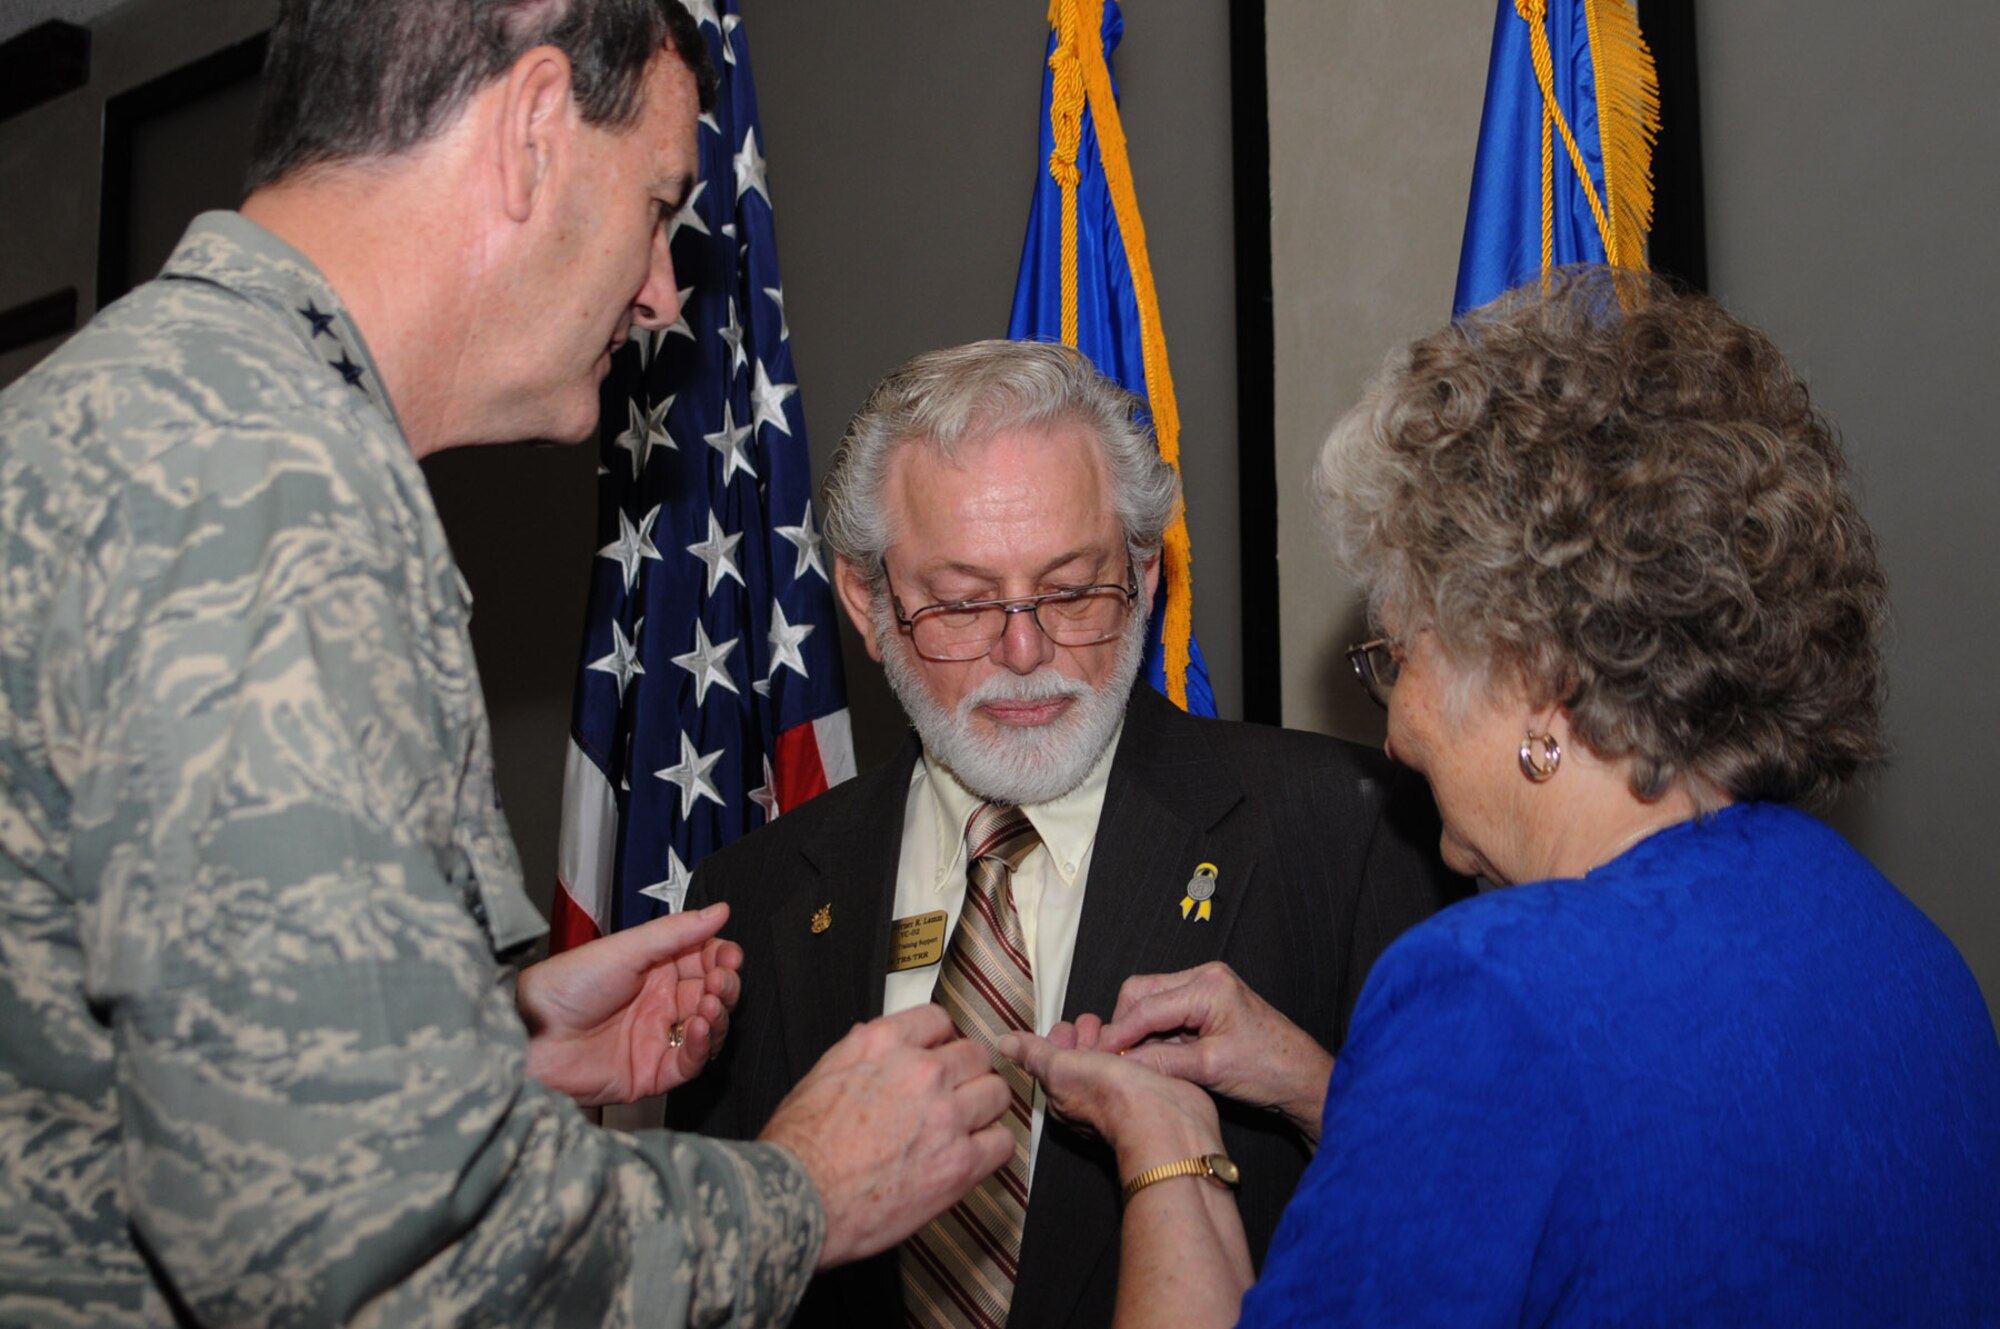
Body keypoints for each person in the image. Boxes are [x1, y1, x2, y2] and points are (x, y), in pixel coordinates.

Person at [0, 3, 1011, 1325]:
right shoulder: (276, 490)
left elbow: (144, 1073)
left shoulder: (118, 409)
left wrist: (502, 1039)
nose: (659, 290)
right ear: (534, 130)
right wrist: (804, 1187)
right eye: (656, 204)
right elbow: (381, 1267)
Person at [1005, 269, 2000, 1326]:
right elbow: (1628, 1189)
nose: (1390, 731)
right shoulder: (1897, 948)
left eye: (1400, 654)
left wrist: (1167, 1149)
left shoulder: (1494, 990)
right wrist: (1321, 1088)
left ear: (1536, 674)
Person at [666, 339, 1465, 1328]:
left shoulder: (1343, 830)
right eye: (960, 601)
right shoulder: (754, 895)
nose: (1022, 649)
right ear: (868, 603)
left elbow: (1472, 1218)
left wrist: (1313, 1094)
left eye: (1072, 588)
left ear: (1143, 571)